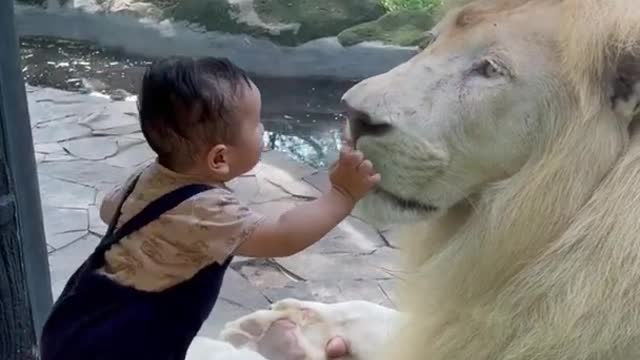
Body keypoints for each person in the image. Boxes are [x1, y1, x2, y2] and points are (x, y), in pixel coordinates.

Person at [39, 56, 380, 360]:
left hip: (75, 322)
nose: (262, 129)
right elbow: (283, 236)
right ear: (219, 158)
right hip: (122, 346)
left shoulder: (147, 176)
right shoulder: (206, 210)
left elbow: (108, 209)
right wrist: (341, 195)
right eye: (257, 124)